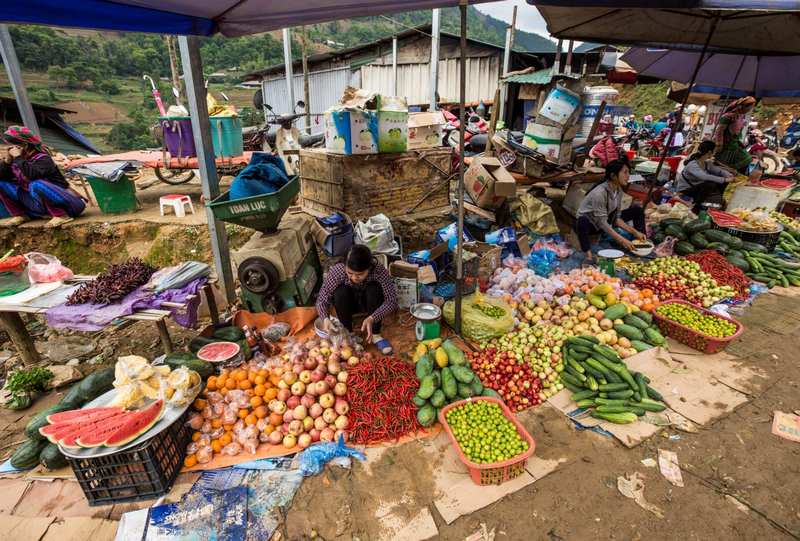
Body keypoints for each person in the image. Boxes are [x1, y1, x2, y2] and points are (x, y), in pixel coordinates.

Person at [316, 244, 398, 354]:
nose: (354, 277)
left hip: (369, 305)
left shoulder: (378, 270)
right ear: (344, 266)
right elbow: (322, 299)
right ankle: (348, 334)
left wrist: (373, 317)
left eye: (360, 274)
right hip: (348, 304)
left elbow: (391, 300)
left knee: (374, 288)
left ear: (369, 268)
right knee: (340, 292)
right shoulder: (337, 271)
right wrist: (325, 318)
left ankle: (375, 334)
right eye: (350, 273)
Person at [0, 126, 85, 228]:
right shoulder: (18, 161)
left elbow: (32, 175)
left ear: (25, 145)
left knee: (36, 184)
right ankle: (20, 215)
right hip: (38, 205)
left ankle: (61, 215)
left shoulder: (43, 158)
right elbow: (3, 176)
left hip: (67, 203)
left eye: (14, 145)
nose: (11, 149)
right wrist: (7, 162)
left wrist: (18, 157)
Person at [575, 159, 646, 261]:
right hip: (591, 223)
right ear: (613, 176)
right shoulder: (599, 193)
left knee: (637, 210)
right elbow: (602, 223)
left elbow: (616, 218)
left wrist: (635, 232)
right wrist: (622, 240)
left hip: (606, 217)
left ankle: (640, 243)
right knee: (582, 221)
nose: (628, 176)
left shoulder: (618, 190)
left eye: (628, 172)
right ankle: (588, 254)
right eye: (625, 172)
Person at [675, 140, 734, 213]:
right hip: (685, 191)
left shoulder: (706, 163)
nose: (715, 153)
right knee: (709, 184)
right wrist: (724, 179)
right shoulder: (693, 164)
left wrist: (729, 175)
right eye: (714, 151)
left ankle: (718, 201)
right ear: (709, 152)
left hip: (696, 189)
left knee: (717, 182)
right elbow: (704, 177)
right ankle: (696, 207)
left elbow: (719, 171)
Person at [713, 96, 756, 173]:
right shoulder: (728, 116)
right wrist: (719, 144)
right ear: (742, 106)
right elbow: (719, 131)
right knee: (721, 166)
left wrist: (739, 142)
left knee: (747, 159)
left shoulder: (740, 116)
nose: (750, 110)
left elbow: (737, 133)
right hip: (725, 146)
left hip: (735, 145)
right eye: (749, 107)